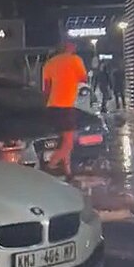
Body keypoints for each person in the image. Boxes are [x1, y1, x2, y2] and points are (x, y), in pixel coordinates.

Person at [41, 42, 88, 176]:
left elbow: (46, 89)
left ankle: (68, 171)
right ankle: (50, 165)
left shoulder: (49, 63)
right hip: (66, 106)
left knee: (63, 140)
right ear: (69, 48)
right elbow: (84, 79)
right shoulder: (75, 60)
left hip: (52, 106)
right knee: (68, 143)